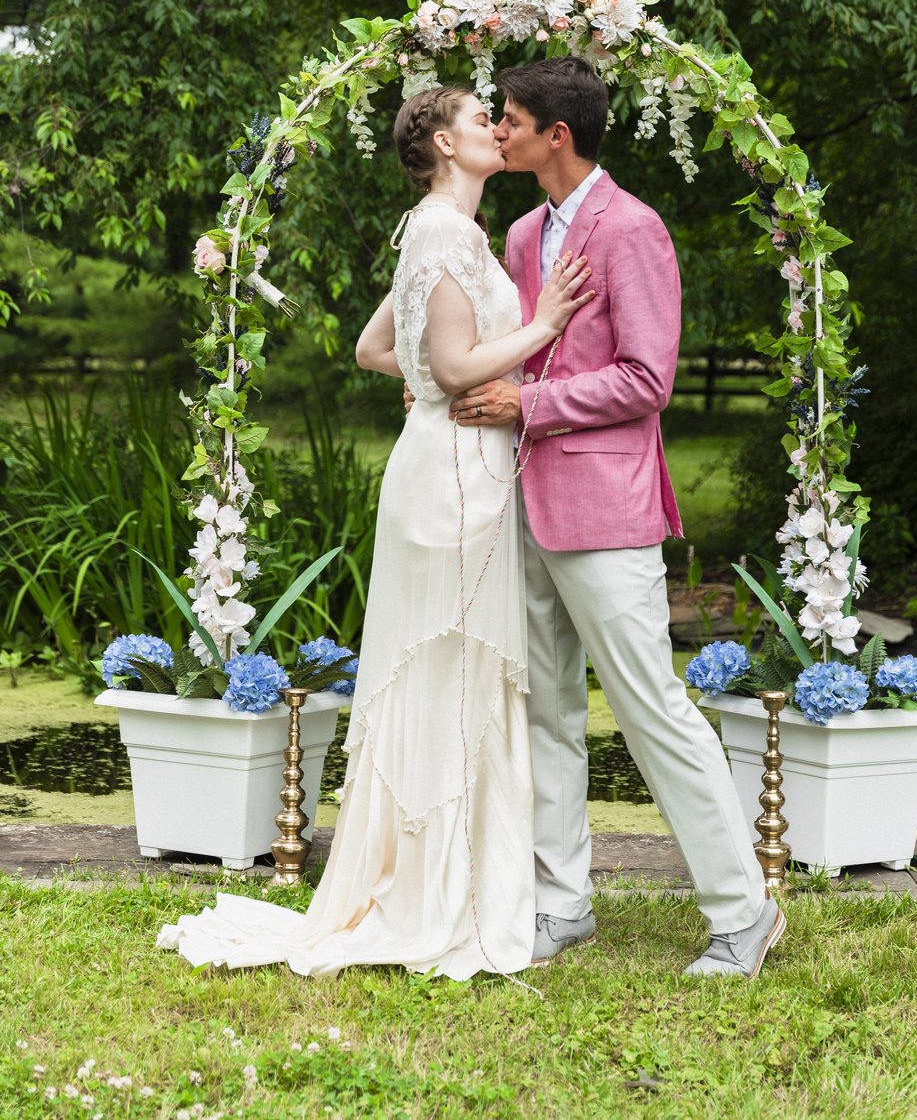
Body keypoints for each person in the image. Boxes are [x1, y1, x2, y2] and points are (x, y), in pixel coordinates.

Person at [157, 85, 593, 977]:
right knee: (456, 664)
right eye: (481, 121)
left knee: (454, 669)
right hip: (454, 481)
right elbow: (455, 361)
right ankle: (444, 888)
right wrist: (541, 326)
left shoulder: (431, 230)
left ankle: (444, 870)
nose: (495, 131)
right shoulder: (444, 231)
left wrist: (434, 384)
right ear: (442, 140)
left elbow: (372, 349)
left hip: (447, 461)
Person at [448, 56, 785, 978]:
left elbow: (648, 379)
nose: (501, 130)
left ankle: (742, 910)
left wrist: (530, 407)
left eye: (511, 119)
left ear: (557, 134)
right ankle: (563, 905)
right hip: (522, 501)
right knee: (545, 708)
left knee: (652, 709)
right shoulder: (521, 235)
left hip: (605, 507)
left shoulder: (632, 229)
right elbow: (516, 354)